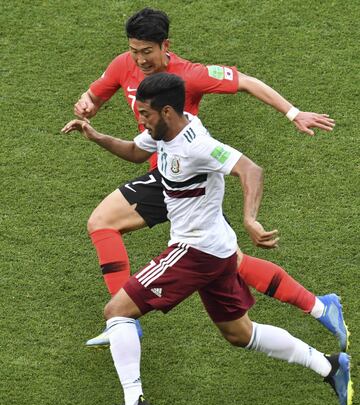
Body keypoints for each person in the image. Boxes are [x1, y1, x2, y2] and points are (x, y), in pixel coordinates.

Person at [64, 73, 353, 405]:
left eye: (146, 115)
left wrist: (250, 218)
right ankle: (330, 366)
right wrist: (97, 136)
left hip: (193, 250)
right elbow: (137, 151)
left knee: (117, 311)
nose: (142, 120)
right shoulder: (164, 131)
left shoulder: (197, 145)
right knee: (240, 334)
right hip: (217, 251)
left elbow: (250, 168)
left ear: (167, 112)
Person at [73, 8, 347, 351]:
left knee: (103, 222)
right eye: (134, 51)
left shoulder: (192, 74)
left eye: (147, 52)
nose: (140, 60)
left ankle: (123, 320)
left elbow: (245, 81)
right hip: (165, 172)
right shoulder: (123, 64)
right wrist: (87, 105)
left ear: (165, 46)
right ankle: (321, 306)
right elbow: (96, 94)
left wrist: (294, 113)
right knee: (230, 260)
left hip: (182, 176)